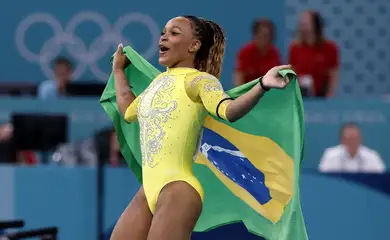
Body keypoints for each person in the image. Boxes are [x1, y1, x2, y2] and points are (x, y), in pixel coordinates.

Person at [111, 15, 292, 240]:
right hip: (148, 190)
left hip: (179, 189)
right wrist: (118, 71)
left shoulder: (200, 82)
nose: (164, 37)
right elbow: (128, 110)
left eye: (174, 33)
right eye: (163, 32)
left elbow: (229, 110)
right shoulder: (157, 84)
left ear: (194, 46)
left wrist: (262, 84)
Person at [288, 10, 339, 97]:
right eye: (301, 24)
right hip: (301, 96)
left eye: (306, 24)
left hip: (322, 97)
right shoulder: (295, 48)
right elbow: (291, 75)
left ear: (315, 26)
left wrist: (329, 97)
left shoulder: (330, 48)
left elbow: (333, 76)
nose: (302, 27)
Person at [319, 122, 385, 173]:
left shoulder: (372, 156)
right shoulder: (330, 155)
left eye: (355, 139)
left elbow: (381, 179)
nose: (352, 142)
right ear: (342, 141)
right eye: (349, 139)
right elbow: (324, 180)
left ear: (361, 139)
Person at [234, 18, 281, 86]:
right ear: (255, 35)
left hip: (269, 93)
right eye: (264, 36)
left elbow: (279, 77)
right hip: (249, 92)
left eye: (270, 35)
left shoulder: (274, 52)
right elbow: (239, 76)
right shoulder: (246, 52)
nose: (267, 39)